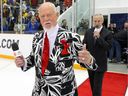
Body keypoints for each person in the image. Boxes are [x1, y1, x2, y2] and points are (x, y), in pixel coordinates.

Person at [14, 2, 97, 96]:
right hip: (40, 91)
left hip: (63, 92)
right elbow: (33, 58)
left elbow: (90, 63)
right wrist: (23, 62)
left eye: (49, 15)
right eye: (42, 16)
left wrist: (89, 60)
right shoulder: (37, 37)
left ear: (57, 15)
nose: (46, 19)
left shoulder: (71, 37)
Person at [82, 14, 112, 96]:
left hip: (100, 64)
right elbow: (85, 42)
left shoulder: (108, 33)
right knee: (92, 85)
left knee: (97, 87)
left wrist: (99, 38)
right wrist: (83, 46)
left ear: (102, 21)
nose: (97, 23)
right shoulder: (88, 31)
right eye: (95, 21)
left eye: (99, 21)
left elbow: (108, 47)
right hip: (90, 63)